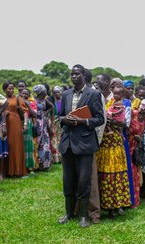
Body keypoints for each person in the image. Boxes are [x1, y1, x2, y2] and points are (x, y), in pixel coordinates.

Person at [58, 64, 104, 228]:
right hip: (67, 143)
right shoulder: (66, 94)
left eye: (77, 74)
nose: (73, 76)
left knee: (84, 181)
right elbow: (59, 115)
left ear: (84, 75)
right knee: (68, 180)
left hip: (84, 143)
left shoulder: (93, 94)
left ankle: (84, 216)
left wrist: (82, 121)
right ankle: (69, 213)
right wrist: (65, 119)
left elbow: (100, 119)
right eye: (72, 74)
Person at [97, 83, 132, 217]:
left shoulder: (123, 105)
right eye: (114, 92)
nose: (116, 95)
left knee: (118, 173)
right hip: (106, 143)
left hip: (116, 142)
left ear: (123, 94)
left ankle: (119, 205)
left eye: (119, 93)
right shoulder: (108, 102)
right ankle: (109, 206)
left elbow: (124, 123)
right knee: (106, 173)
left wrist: (110, 121)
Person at [2, 81, 28, 177]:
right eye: (9, 88)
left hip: (15, 123)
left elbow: (25, 112)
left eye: (13, 88)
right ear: (4, 89)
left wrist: (25, 124)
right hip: (4, 124)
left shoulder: (18, 98)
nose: (11, 90)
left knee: (16, 145)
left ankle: (18, 171)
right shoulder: (1, 99)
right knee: (7, 145)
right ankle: (7, 171)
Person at [33, 84, 53, 170]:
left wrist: (45, 112)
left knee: (44, 143)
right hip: (36, 122)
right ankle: (36, 164)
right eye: (45, 91)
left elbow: (52, 107)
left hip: (43, 123)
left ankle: (44, 164)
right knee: (36, 142)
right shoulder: (33, 99)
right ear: (41, 92)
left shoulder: (44, 100)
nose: (46, 93)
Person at [21, 88, 37, 173]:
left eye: (26, 94)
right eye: (22, 93)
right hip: (18, 124)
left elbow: (35, 114)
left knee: (28, 146)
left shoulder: (31, 103)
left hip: (28, 125)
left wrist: (28, 105)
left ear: (29, 95)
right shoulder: (18, 101)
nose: (24, 95)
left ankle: (29, 167)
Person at [50, 86, 63, 164]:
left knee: (61, 139)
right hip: (54, 122)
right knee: (54, 139)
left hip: (62, 122)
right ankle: (56, 158)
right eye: (55, 93)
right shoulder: (52, 101)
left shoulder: (64, 100)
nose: (57, 94)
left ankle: (62, 157)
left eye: (58, 92)